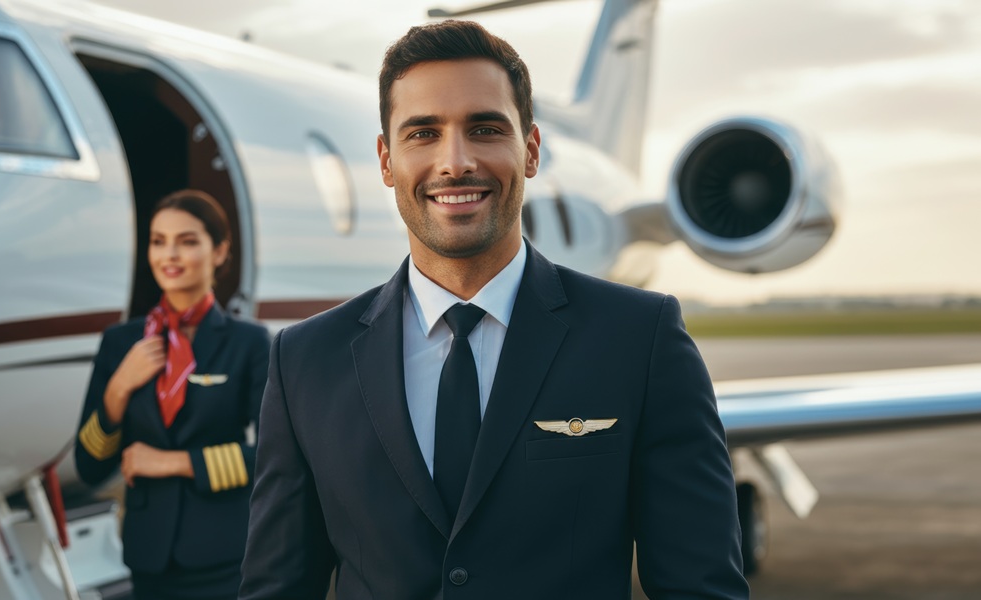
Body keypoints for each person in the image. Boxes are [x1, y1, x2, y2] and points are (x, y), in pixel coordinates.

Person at [240, 20, 748, 600]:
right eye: (423, 134)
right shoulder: (305, 360)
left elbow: (701, 587)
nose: (455, 162)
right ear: (386, 161)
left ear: (529, 151)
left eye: (484, 129)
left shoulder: (641, 339)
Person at [74, 189, 269, 600]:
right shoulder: (121, 343)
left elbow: (276, 455)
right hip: (148, 557)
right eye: (159, 241)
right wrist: (118, 387)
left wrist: (174, 463)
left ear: (219, 251)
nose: (170, 255)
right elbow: (89, 468)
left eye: (187, 241)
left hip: (225, 555)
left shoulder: (248, 342)